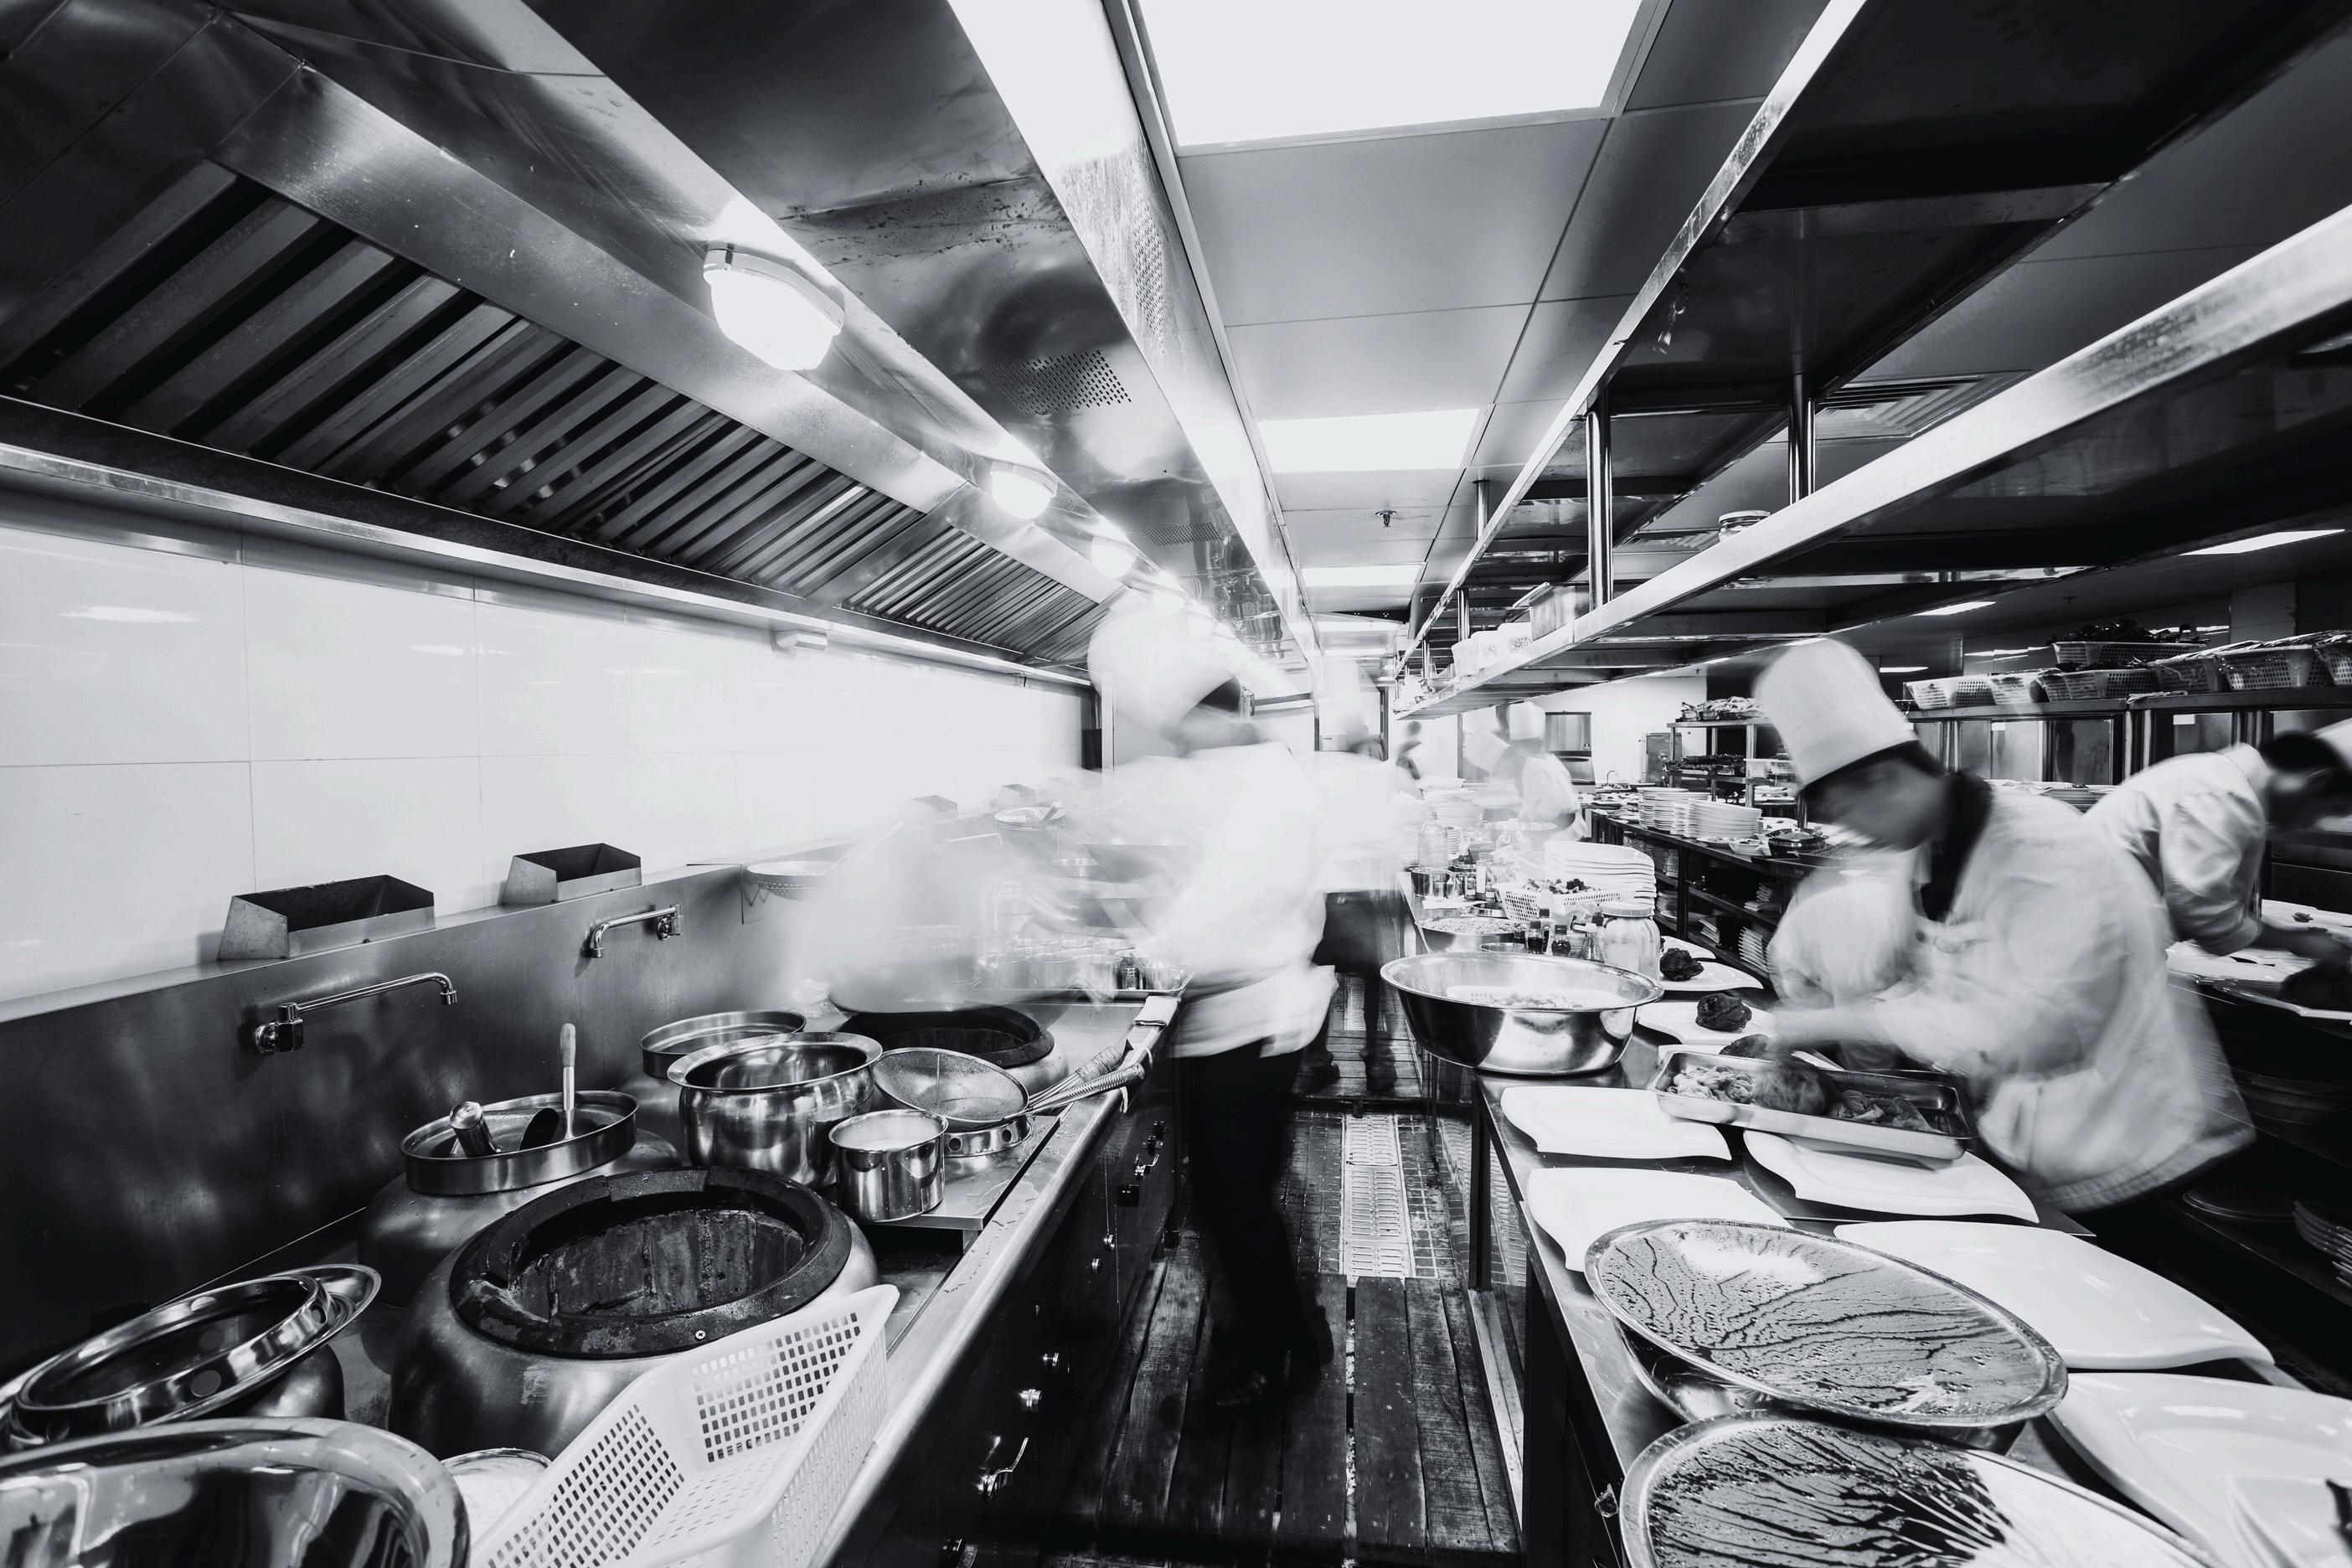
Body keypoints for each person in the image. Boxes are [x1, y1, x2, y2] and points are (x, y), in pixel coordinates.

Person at [1755, 638, 2248, 1215]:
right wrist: (1819, 994)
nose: (1856, 835)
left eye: (1850, 815)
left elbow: (2043, 1031)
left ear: (1882, 779)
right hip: (2027, 1127)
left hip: (2128, 1146)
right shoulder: (1926, 846)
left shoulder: (2042, 850)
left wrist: (1854, 1019)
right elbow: (1899, 962)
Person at [1086, 606, 1333, 1408]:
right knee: (1242, 1192)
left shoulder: (1262, 790)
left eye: (1178, 726)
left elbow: (1209, 915)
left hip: (1249, 1026)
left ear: (1205, 713)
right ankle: (1287, 1328)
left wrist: (1133, 939)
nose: (1176, 742)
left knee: (1235, 1198)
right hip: (1250, 1018)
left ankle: (1272, 1361)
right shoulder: (1254, 769)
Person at [2087, 725, 2352, 965]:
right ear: (2316, 781)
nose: (2315, 823)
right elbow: (2201, 913)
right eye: (2329, 809)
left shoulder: (2216, 775)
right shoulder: (2227, 794)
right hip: (2102, 946)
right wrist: (2298, 942)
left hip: (2104, 938)